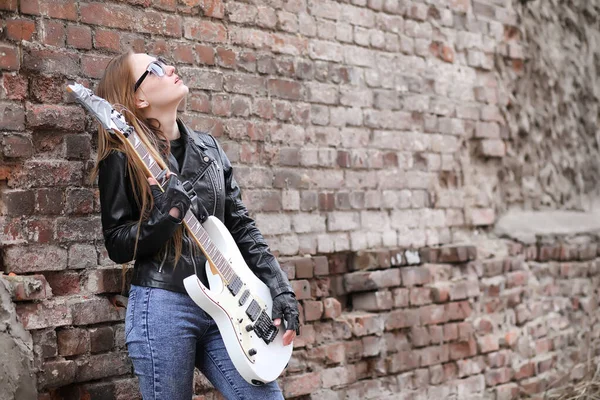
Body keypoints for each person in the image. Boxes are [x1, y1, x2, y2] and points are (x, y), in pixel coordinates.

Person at [94, 51, 300, 400]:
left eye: (165, 61)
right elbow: (116, 242)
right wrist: (167, 218)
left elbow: (241, 226)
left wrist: (278, 286)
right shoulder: (123, 155)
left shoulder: (210, 149)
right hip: (164, 305)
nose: (170, 68)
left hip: (231, 304)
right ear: (139, 98)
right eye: (155, 69)